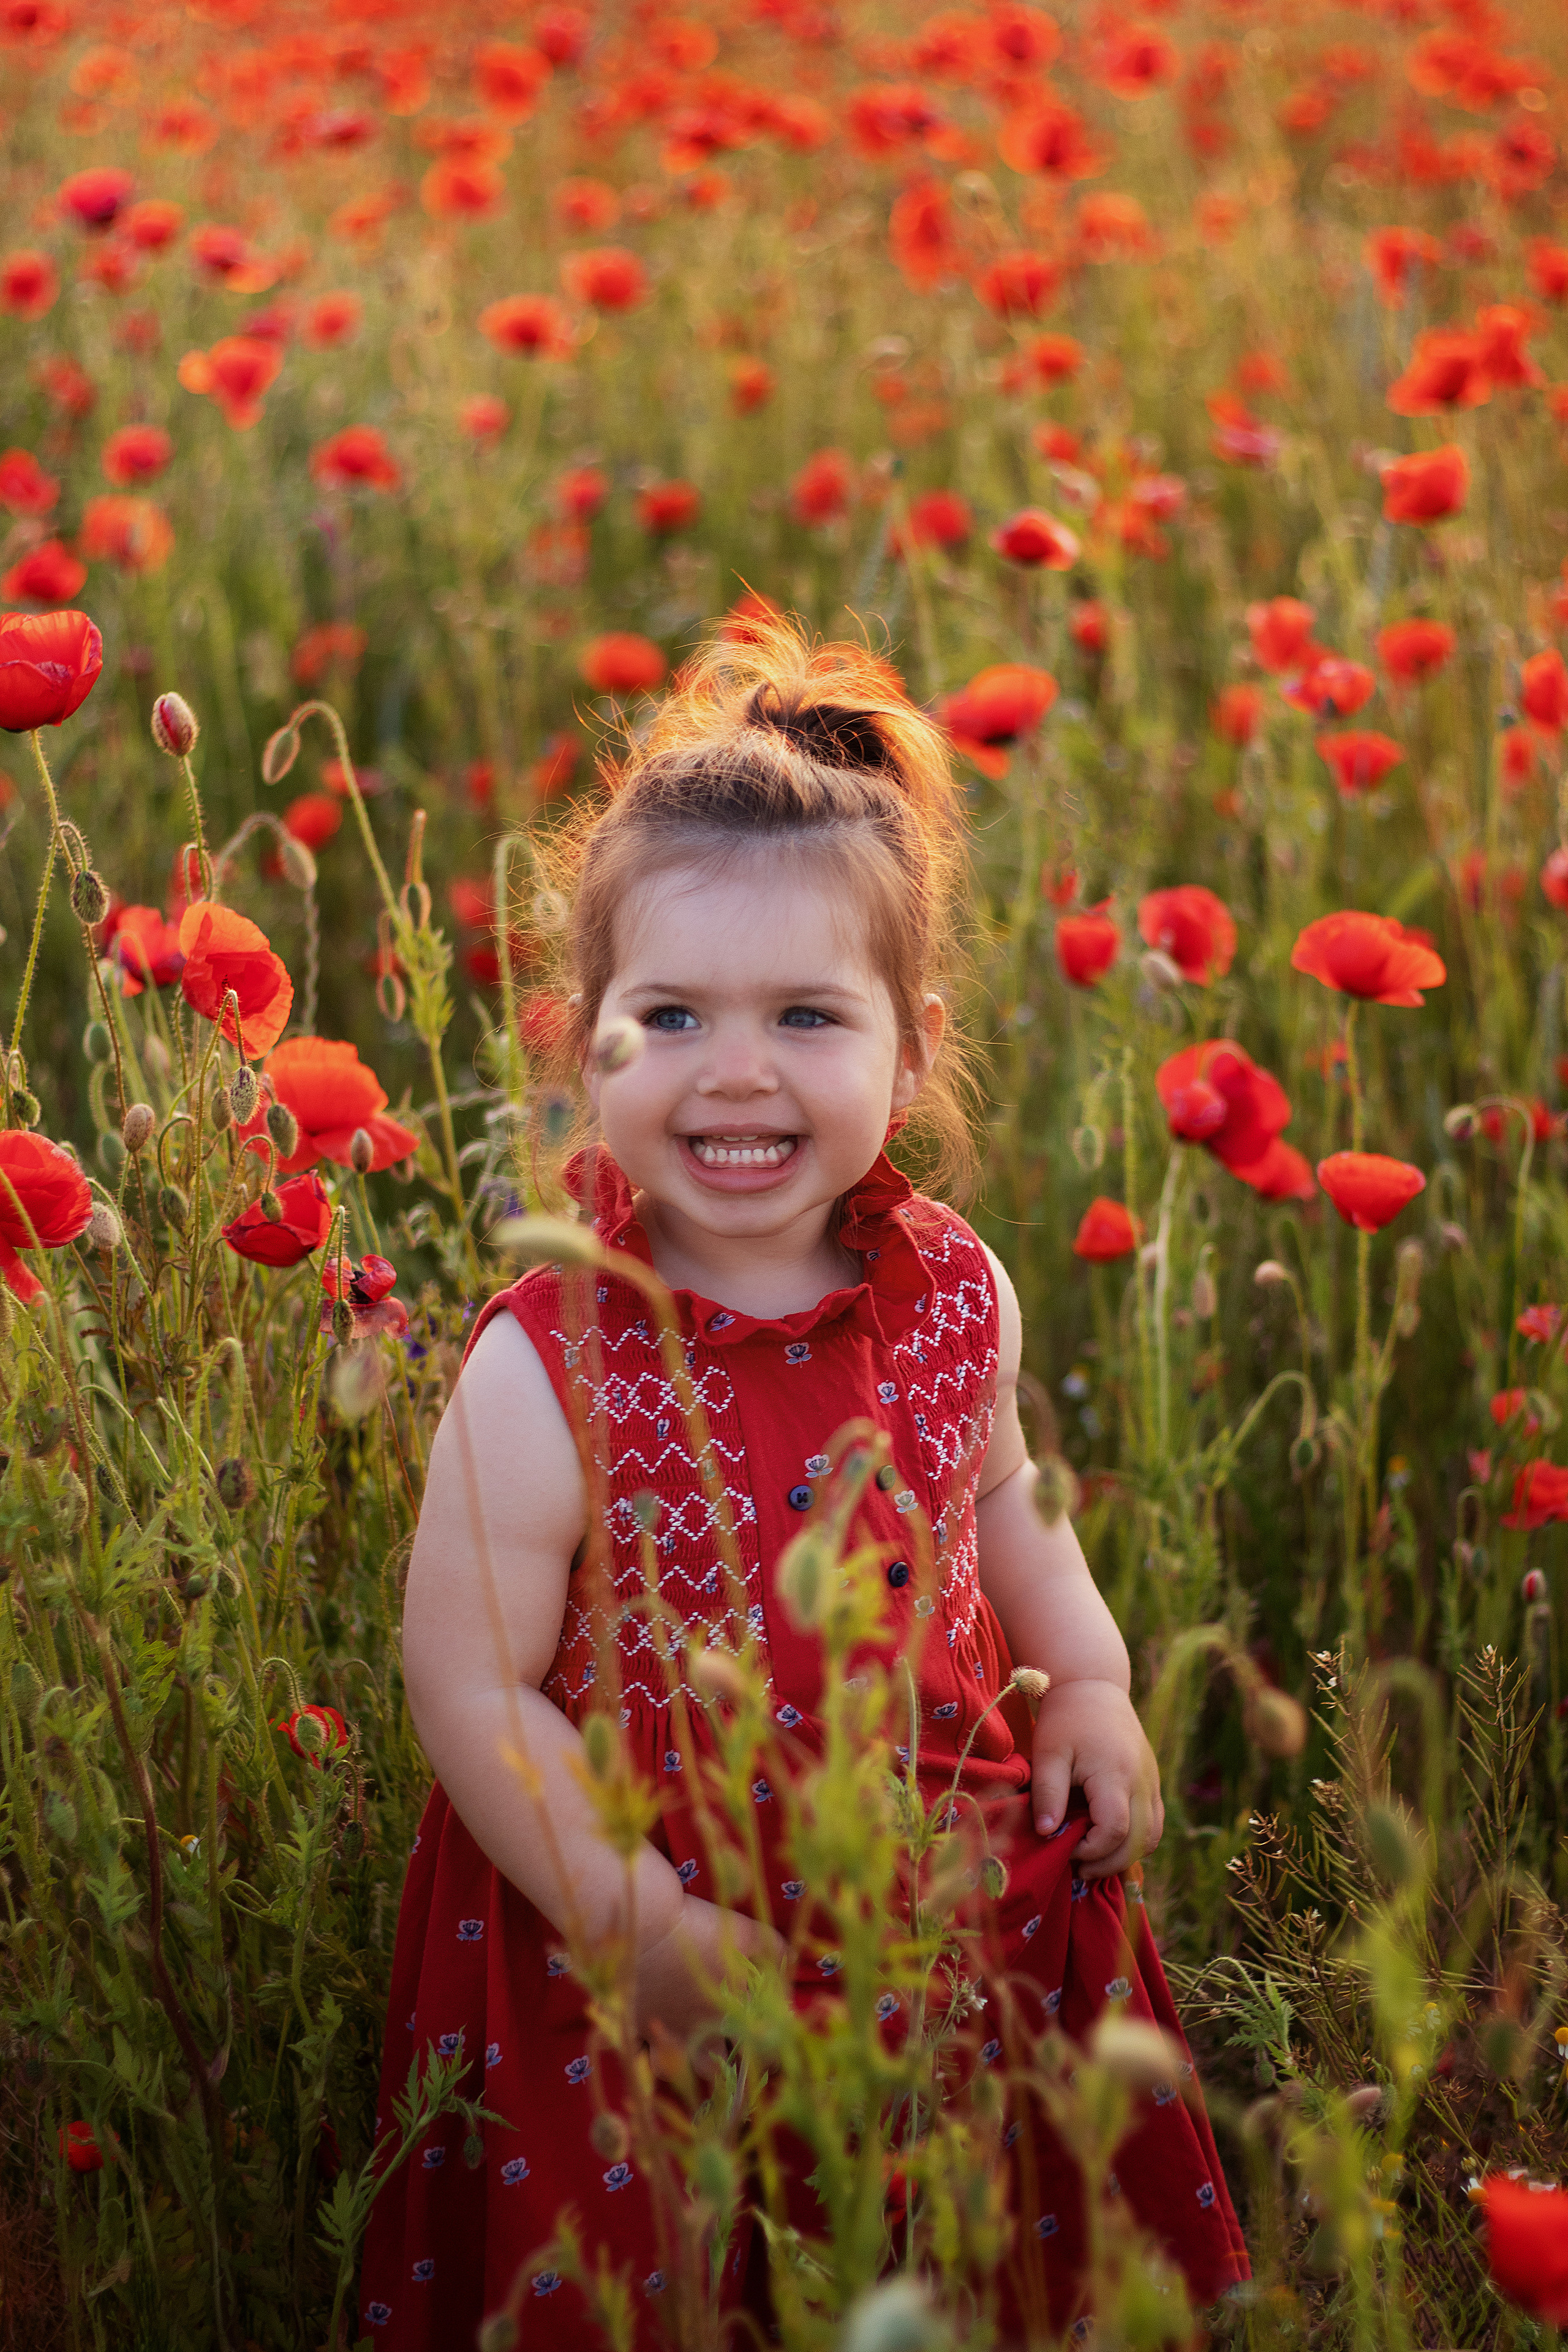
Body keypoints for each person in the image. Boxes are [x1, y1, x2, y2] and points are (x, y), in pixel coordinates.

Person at [358, 619, 1248, 2345]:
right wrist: (642, 1927)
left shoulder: (954, 1292)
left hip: (929, 1894)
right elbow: (464, 1682)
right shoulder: (550, 1365)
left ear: (911, 1050)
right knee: (686, 2277)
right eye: (674, 1015)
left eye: (807, 1016)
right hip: (635, 1944)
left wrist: (1093, 1679)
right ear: (588, 1043)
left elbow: (1008, 1510)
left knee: (959, 2264)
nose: (739, 1070)